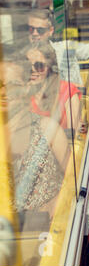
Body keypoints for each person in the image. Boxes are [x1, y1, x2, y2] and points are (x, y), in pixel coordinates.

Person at [1, 60, 70, 218]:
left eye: (13, 85)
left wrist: (57, 204)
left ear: (26, 87)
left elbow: (75, 179)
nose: (4, 91)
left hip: (40, 227)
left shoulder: (47, 129)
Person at [28, 9, 89, 86]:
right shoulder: (24, 58)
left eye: (40, 30)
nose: (34, 33)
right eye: (31, 29)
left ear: (51, 31)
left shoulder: (65, 48)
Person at [24, 41, 81, 131]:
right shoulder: (22, 92)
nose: (32, 70)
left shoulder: (67, 90)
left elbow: (74, 135)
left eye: (39, 65)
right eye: (27, 65)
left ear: (49, 67)